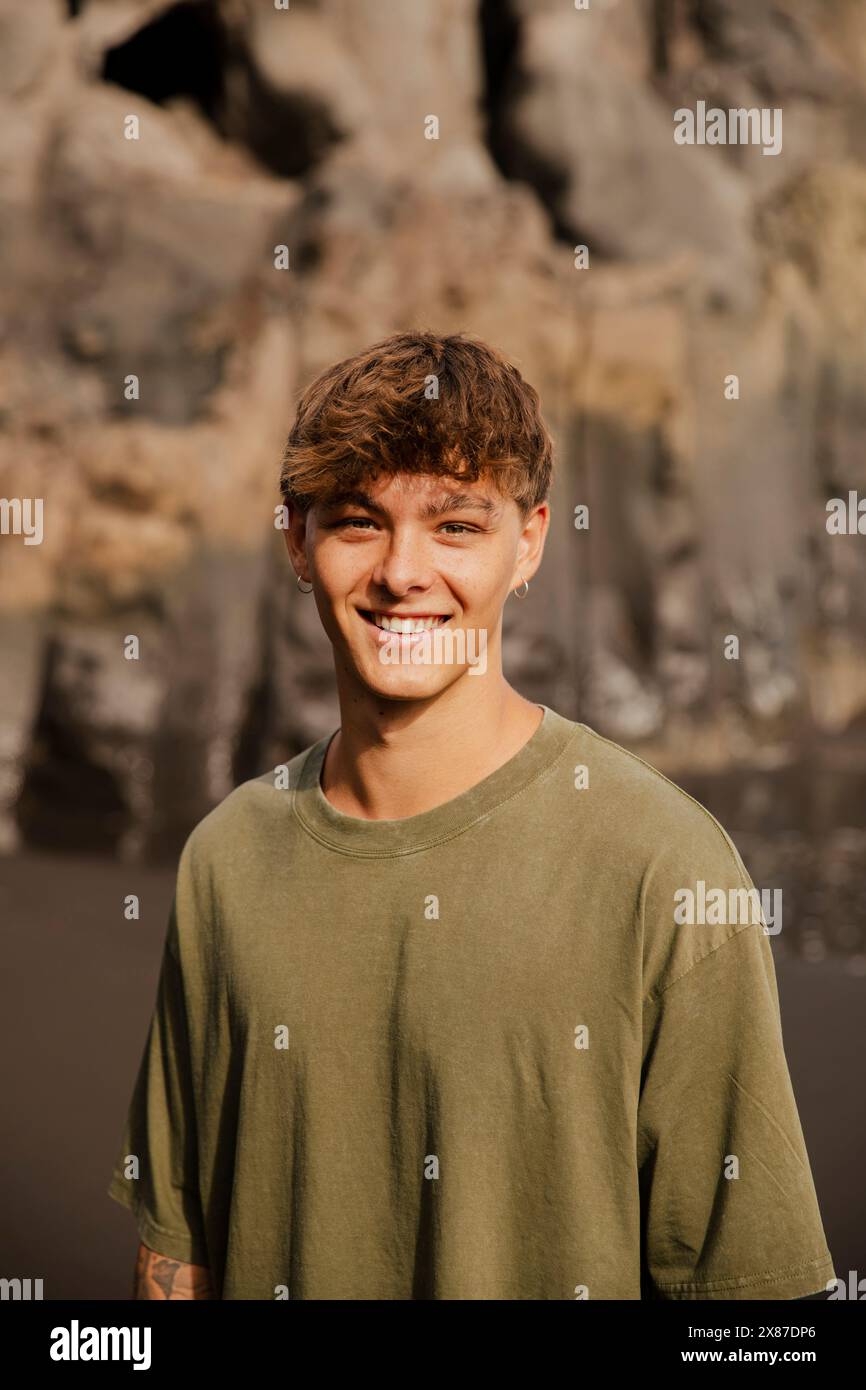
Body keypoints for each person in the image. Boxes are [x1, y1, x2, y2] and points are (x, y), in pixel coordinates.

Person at [107, 330, 835, 1300]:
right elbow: (177, 1261)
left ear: (527, 541)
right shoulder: (222, 863)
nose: (404, 572)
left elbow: (762, 1309)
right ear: (296, 537)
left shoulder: (667, 871)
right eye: (360, 521)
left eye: (454, 526)